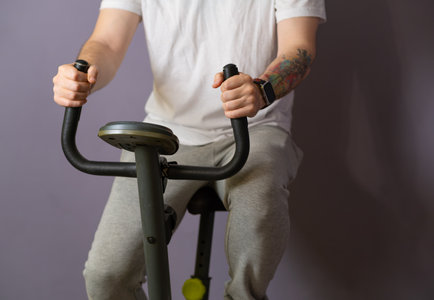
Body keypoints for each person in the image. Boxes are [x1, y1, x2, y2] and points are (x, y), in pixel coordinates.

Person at [53, 1, 326, 299]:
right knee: (106, 277)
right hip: (167, 132)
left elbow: (299, 48)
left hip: (255, 127)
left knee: (253, 245)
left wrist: (262, 90)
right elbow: (106, 42)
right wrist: (83, 76)